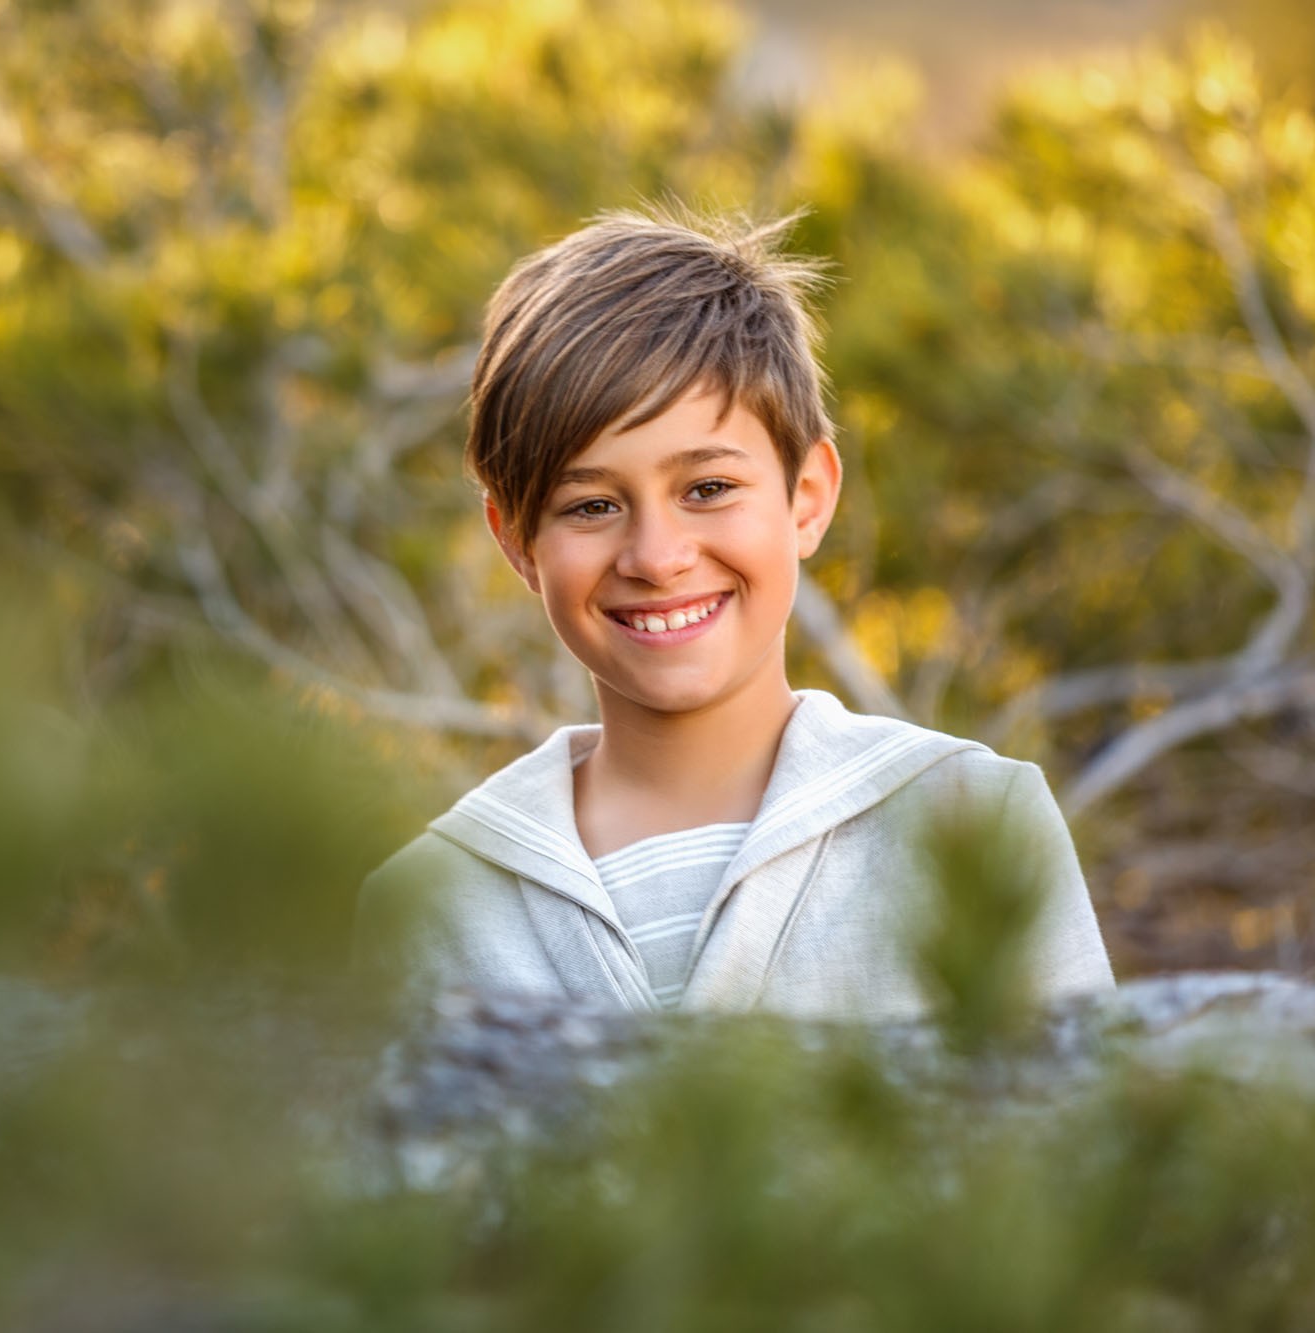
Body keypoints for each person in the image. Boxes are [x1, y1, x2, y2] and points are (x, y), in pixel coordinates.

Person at [355, 206, 1114, 1021]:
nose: (656, 555)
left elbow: (1083, 1131)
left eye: (707, 489)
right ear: (517, 542)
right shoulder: (423, 905)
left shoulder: (972, 819)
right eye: (592, 505)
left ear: (808, 498)